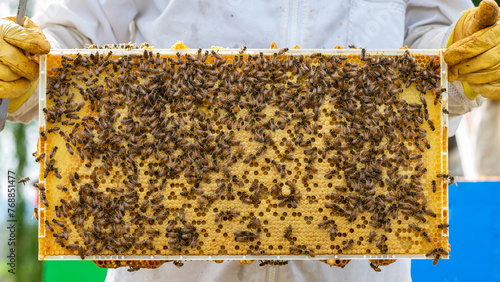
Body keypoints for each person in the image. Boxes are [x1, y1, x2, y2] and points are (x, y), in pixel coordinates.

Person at [1, 0, 499, 281]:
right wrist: (27, 69)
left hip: (353, 259)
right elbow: (69, 41)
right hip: (170, 258)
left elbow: (430, 44)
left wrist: (460, 62)